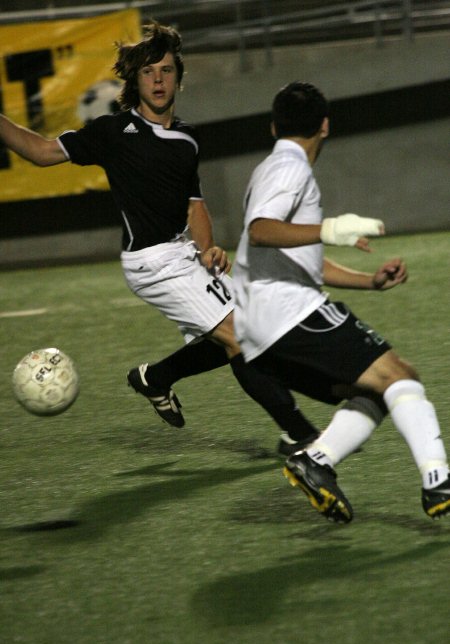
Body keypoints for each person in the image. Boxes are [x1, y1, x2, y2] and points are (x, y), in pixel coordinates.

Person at [0, 21, 376, 451]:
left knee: (242, 332)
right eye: (148, 71)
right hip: (150, 261)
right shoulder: (112, 132)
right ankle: (301, 435)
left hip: (180, 253)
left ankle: (156, 377)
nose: (158, 79)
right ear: (134, 80)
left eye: (165, 70)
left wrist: (208, 248)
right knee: (240, 333)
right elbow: (41, 152)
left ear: (178, 76)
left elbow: (195, 204)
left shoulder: (187, 138)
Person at [232, 81, 449, 522]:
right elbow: (262, 230)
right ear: (325, 126)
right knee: (400, 377)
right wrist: (330, 228)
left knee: (379, 388)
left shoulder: (270, 168)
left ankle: (316, 461)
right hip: (288, 313)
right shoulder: (290, 169)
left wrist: (370, 281)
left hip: (262, 323)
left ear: (274, 126)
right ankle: (438, 479)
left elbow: (297, 259)